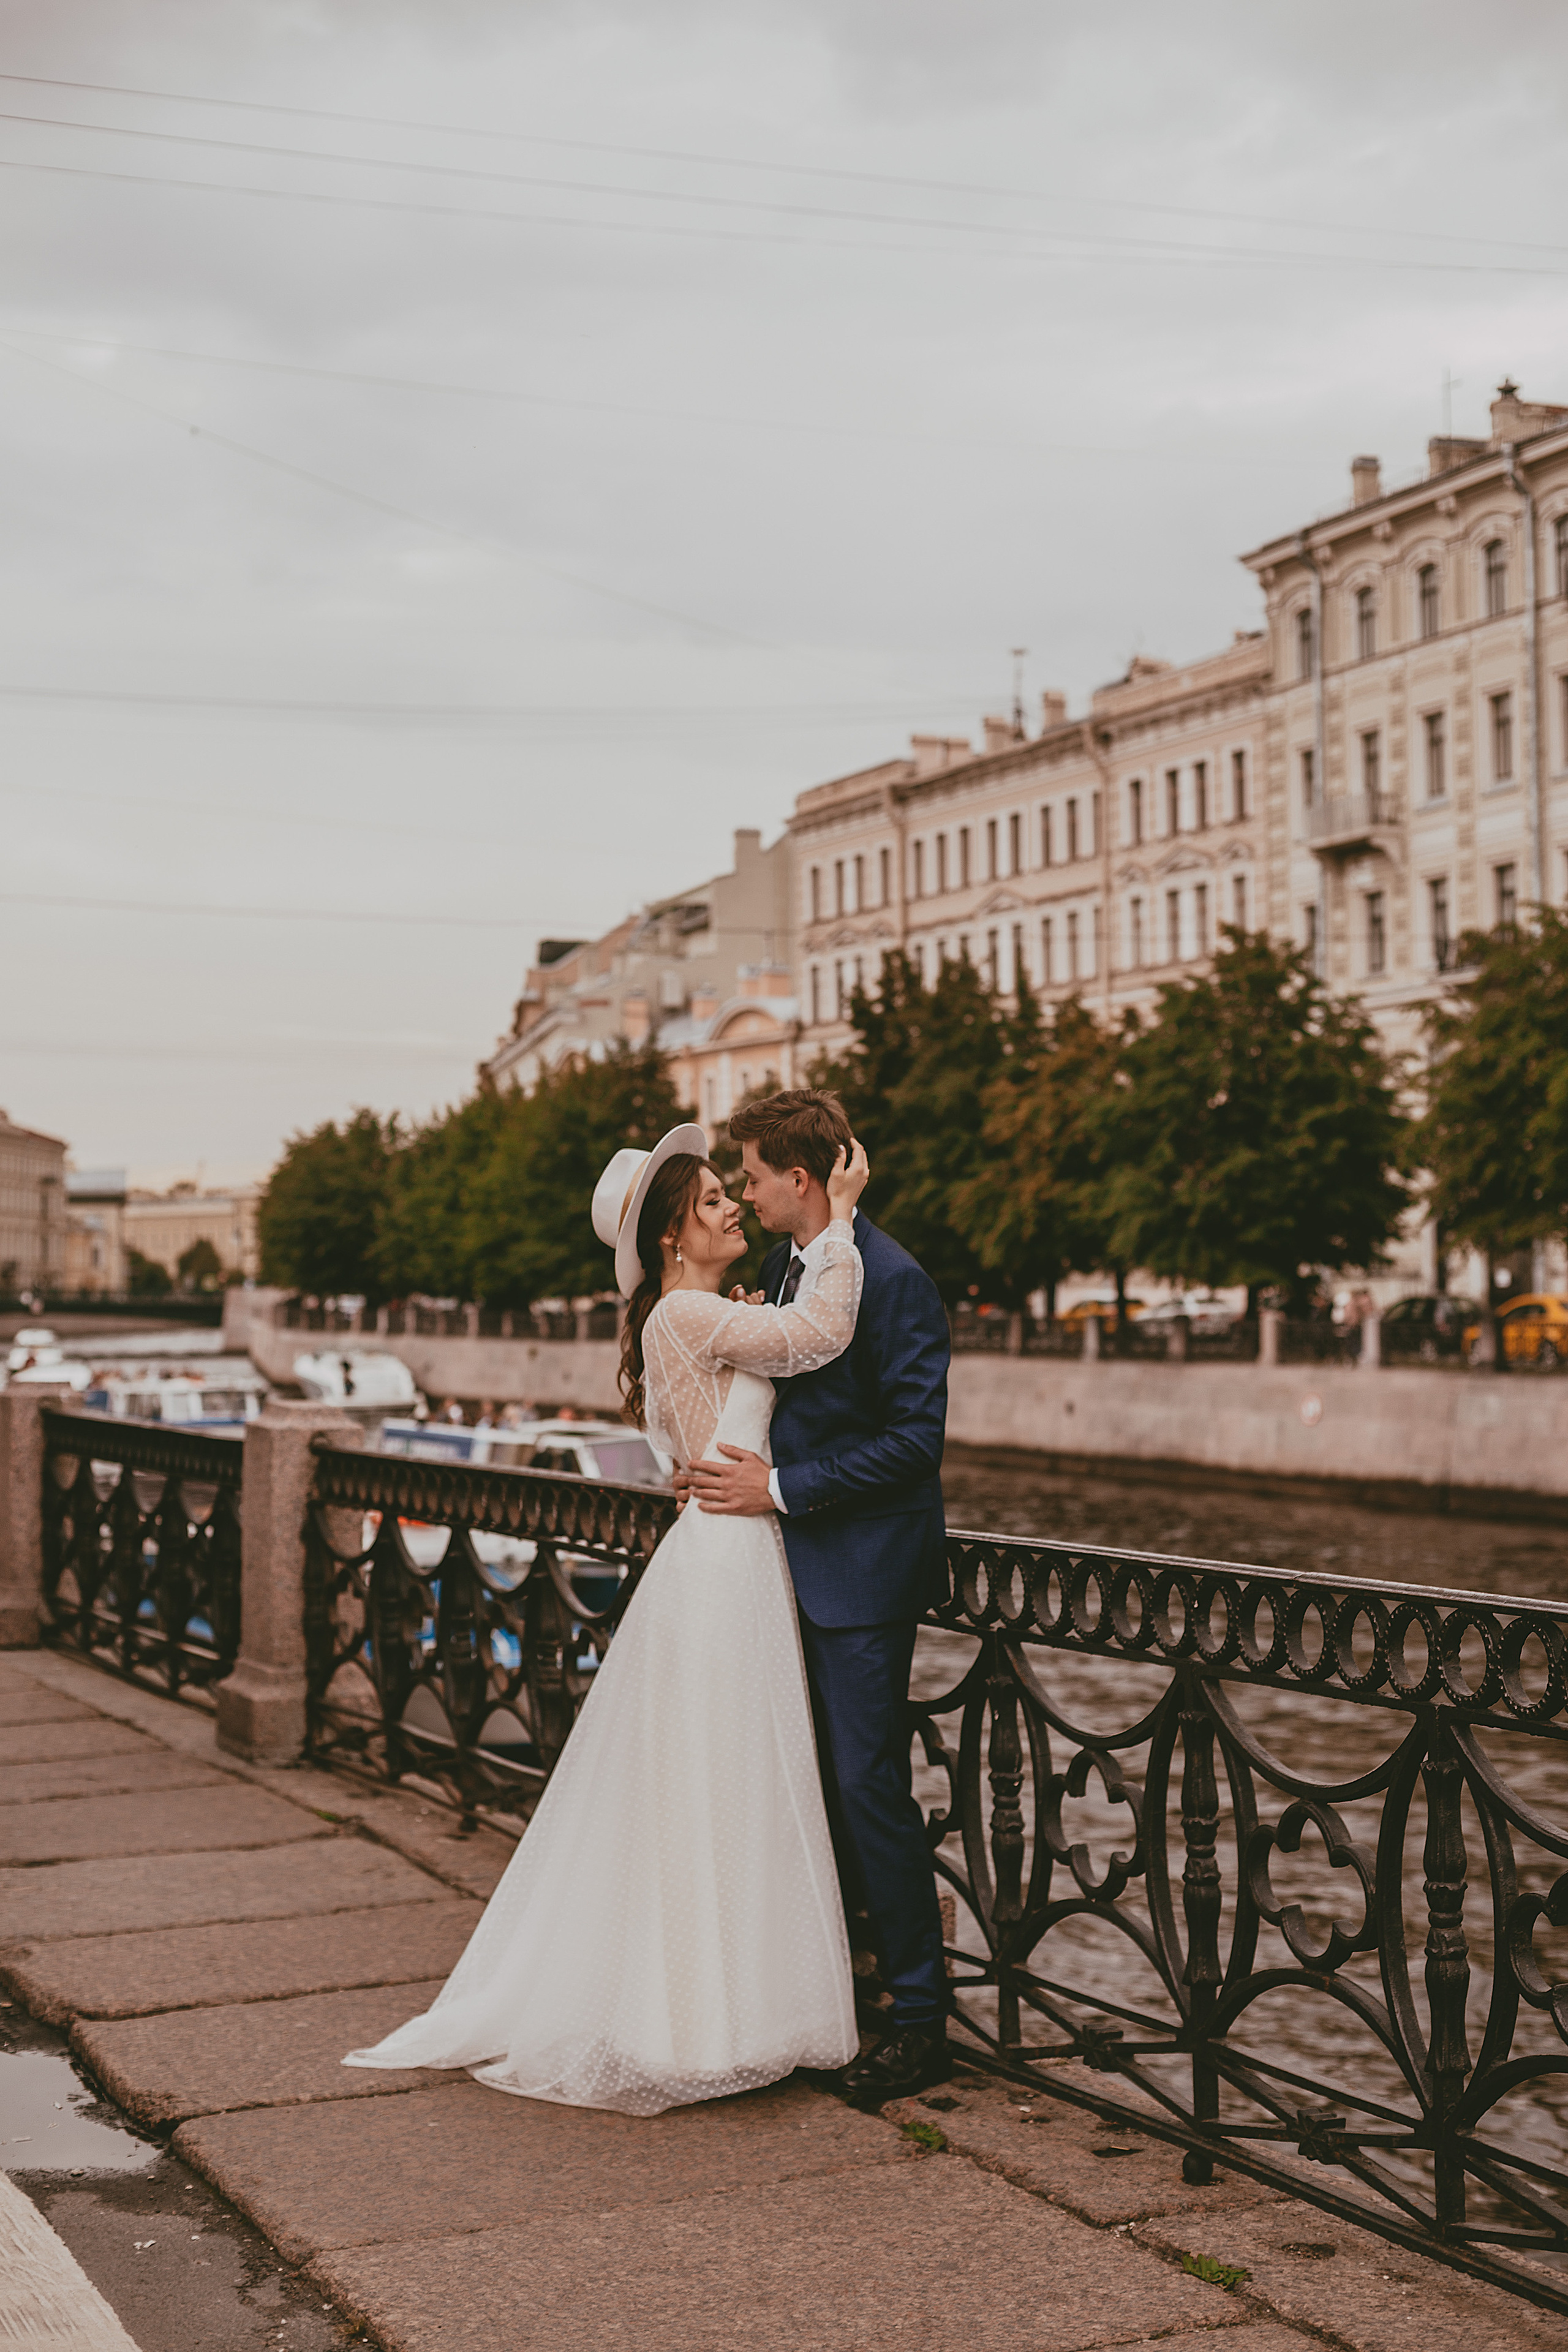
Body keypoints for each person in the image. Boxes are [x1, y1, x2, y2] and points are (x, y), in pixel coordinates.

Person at [344, 1120, 869, 2115]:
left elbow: (733, 1400)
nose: (731, 1209)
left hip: (728, 1552)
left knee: (730, 1779)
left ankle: (725, 2012)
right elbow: (822, 1336)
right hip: (723, 1561)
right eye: (714, 1200)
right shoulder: (684, 1314)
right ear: (674, 1235)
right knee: (715, 1781)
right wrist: (836, 1222)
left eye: (730, 1193)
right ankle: (701, 2025)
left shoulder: (699, 1311)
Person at [684, 1087, 951, 2100]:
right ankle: (828, 1994)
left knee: (866, 1791)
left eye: (751, 1177)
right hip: (783, 1569)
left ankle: (922, 2021)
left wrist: (781, 1489)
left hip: (862, 1576)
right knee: (802, 1791)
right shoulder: (788, 1265)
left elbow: (914, 1444)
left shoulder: (895, 1280)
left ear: (802, 1179)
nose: (744, 1196)